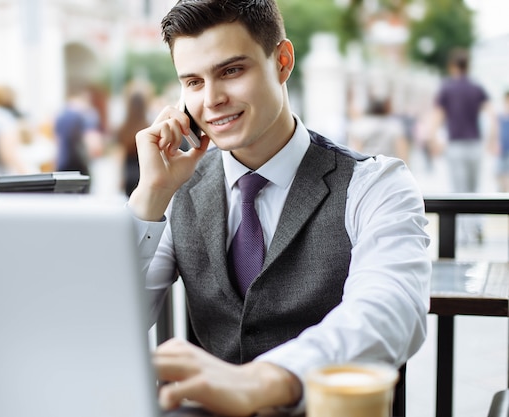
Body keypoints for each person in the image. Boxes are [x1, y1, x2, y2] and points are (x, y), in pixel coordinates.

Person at [127, 0, 431, 415]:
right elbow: (107, 320)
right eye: (193, 82)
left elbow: (390, 309)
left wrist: (262, 381)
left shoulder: (375, 184)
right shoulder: (179, 190)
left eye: (231, 71)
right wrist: (151, 196)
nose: (212, 99)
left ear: (283, 62)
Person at [430, 48, 497, 243]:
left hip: (456, 146)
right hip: (475, 145)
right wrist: (492, 140)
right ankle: (476, 226)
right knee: (475, 189)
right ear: (468, 65)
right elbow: (491, 115)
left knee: (459, 190)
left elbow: (437, 116)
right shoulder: (477, 88)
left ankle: (466, 233)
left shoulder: (447, 88)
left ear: (452, 66)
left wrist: (434, 140)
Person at [53, 85, 103, 193]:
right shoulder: (87, 114)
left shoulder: (60, 114)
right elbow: (93, 143)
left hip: (63, 165)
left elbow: (57, 142)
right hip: (80, 166)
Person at [347, 96, 409, 164]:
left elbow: (356, 150)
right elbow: (401, 150)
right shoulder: (394, 126)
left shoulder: (361, 125)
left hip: (368, 167)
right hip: (388, 166)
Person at [115, 86, 151, 196]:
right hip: (143, 175)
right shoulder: (148, 127)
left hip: (128, 174)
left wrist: (120, 177)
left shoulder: (123, 129)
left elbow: (120, 155)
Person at [493, 91, 509, 192]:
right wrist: (494, 144)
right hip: (502, 151)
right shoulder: (500, 117)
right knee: (499, 174)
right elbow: (495, 132)